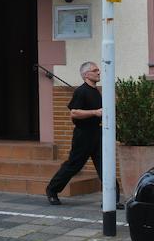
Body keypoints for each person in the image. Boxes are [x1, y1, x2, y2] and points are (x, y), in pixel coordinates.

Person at [45, 61, 119, 206]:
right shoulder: (81, 91)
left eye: (98, 70)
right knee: (74, 165)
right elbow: (74, 113)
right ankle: (52, 190)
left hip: (97, 133)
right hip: (83, 135)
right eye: (95, 70)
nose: (99, 72)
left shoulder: (96, 91)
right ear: (86, 74)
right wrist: (95, 112)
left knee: (106, 165)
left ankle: (113, 200)